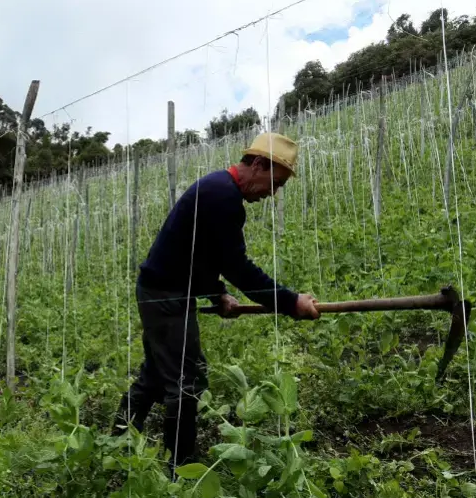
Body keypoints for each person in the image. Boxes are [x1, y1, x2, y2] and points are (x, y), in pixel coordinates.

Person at [112, 132, 320, 475]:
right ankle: (180, 472)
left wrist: (215, 293)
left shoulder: (217, 189)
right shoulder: (222, 196)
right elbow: (238, 268)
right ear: (257, 165)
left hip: (165, 291)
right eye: (276, 183)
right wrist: (290, 302)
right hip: (166, 296)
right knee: (186, 382)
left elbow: (200, 256)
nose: (273, 193)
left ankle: (117, 441)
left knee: (154, 377)